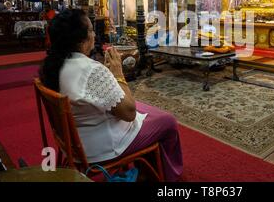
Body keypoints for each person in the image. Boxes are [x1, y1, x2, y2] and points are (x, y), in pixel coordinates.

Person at [39, 9, 183, 181]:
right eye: (91, 30)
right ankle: (169, 177)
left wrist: (108, 77)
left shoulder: (54, 65)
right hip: (102, 148)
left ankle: (148, 168)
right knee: (168, 121)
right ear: (81, 40)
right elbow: (128, 113)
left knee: (145, 109)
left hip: (74, 143)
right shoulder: (91, 69)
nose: (94, 34)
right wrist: (117, 72)